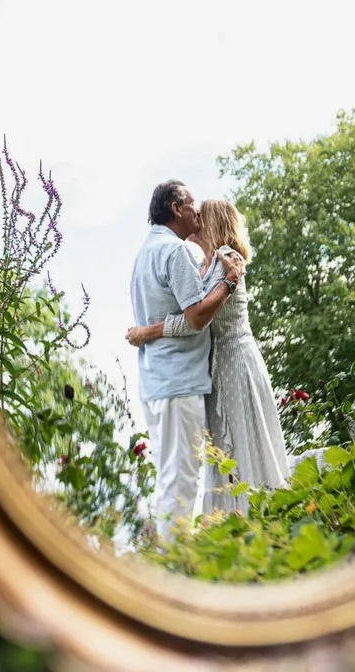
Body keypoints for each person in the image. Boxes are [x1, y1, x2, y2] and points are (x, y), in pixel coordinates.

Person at [126, 198, 288, 516]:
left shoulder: (227, 259)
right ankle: (231, 520)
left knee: (241, 442)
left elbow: (196, 319)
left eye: (202, 214)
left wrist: (148, 331)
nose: (196, 219)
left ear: (213, 222)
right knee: (225, 448)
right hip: (218, 367)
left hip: (235, 363)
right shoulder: (208, 264)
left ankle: (254, 515)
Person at [128, 180, 245, 542]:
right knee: (182, 479)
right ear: (176, 208)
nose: (197, 211)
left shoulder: (144, 253)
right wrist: (229, 283)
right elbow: (196, 318)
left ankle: (170, 552)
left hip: (156, 381)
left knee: (170, 476)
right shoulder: (174, 251)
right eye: (192, 204)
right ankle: (176, 559)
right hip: (179, 382)